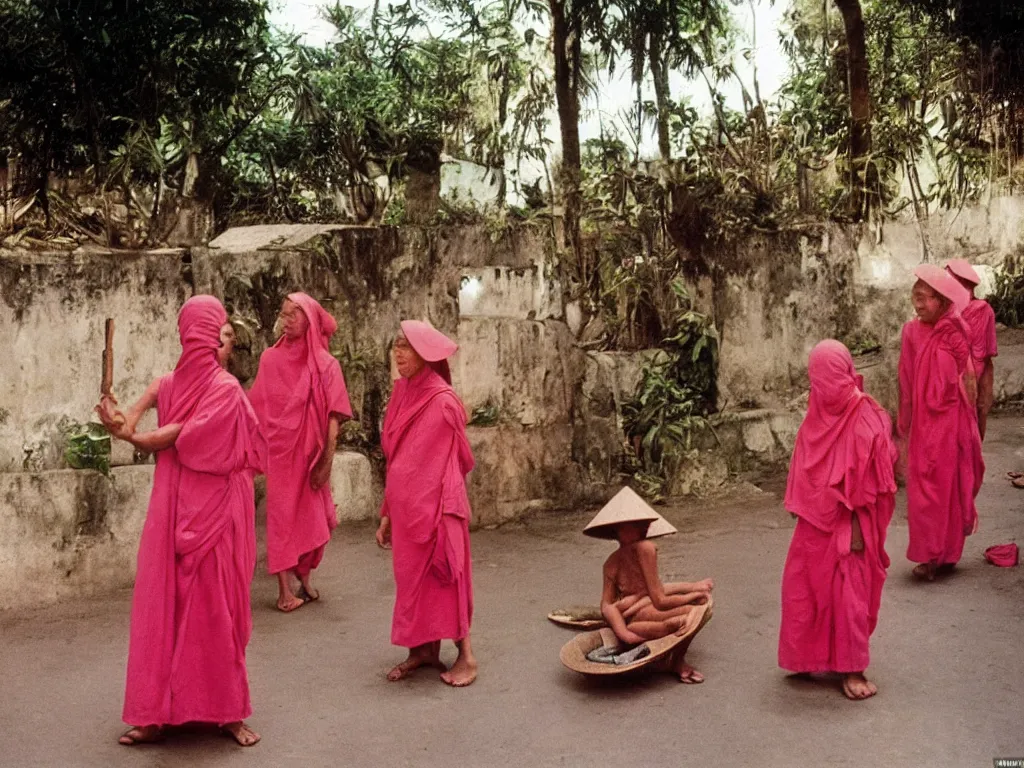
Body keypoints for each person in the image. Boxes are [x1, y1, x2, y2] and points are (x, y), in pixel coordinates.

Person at [95, 295, 265, 747]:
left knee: (215, 607)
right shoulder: (168, 384)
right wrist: (116, 418)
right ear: (205, 335)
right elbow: (129, 417)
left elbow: (173, 435)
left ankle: (227, 711)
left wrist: (132, 434)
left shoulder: (224, 390)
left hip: (214, 510)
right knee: (166, 603)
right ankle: (154, 714)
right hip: (173, 504)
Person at [779, 340, 897, 701]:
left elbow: (875, 484)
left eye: (826, 380)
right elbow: (806, 463)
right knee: (803, 589)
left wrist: (860, 531)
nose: (823, 390)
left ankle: (851, 668)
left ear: (844, 374)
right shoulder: (818, 409)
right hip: (814, 521)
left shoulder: (866, 418)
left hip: (851, 524)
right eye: (816, 382)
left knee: (849, 596)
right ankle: (809, 654)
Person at [374, 320, 478, 687]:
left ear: (425, 353)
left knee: (447, 577)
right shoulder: (401, 392)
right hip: (405, 511)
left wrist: (440, 508)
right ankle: (421, 650)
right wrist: (387, 513)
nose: (398, 353)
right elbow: (397, 459)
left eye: (406, 346)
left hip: (437, 510)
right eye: (396, 346)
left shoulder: (444, 401)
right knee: (410, 583)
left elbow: (458, 461)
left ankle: (466, 657)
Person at [248, 293, 352, 612]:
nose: (287, 319)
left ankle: (303, 577)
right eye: (284, 314)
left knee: (315, 519)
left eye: (294, 314)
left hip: (312, 455)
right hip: (281, 455)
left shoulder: (325, 365)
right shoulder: (269, 359)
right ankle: (283, 590)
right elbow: (258, 408)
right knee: (281, 518)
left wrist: (326, 460)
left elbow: (335, 416)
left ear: (309, 318)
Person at [898, 264, 984, 581]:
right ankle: (928, 554)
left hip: (951, 423)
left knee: (948, 487)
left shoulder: (956, 329)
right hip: (923, 423)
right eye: (915, 297)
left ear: (944, 301)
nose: (918, 305)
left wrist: (970, 423)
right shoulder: (911, 333)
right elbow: (905, 381)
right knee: (923, 490)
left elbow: (968, 376)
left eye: (925, 298)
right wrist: (904, 426)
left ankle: (946, 555)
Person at [587, 486, 714, 684]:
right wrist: (624, 633)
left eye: (644, 524)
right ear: (619, 530)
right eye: (637, 525)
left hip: (637, 622)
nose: (645, 529)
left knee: (687, 613)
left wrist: (693, 587)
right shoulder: (644, 550)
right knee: (695, 614)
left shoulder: (611, 561)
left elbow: (651, 592)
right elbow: (659, 599)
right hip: (637, 619)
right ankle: (676, 661)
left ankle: (660, 656)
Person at [945, 259, 998, 439]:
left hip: (975, 377)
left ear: (962, 284)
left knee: (970, 433)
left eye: (949, 279)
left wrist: (965, 390)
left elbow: (979, 356)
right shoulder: (945, 310)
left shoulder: (982, 310)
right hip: (948, 376)